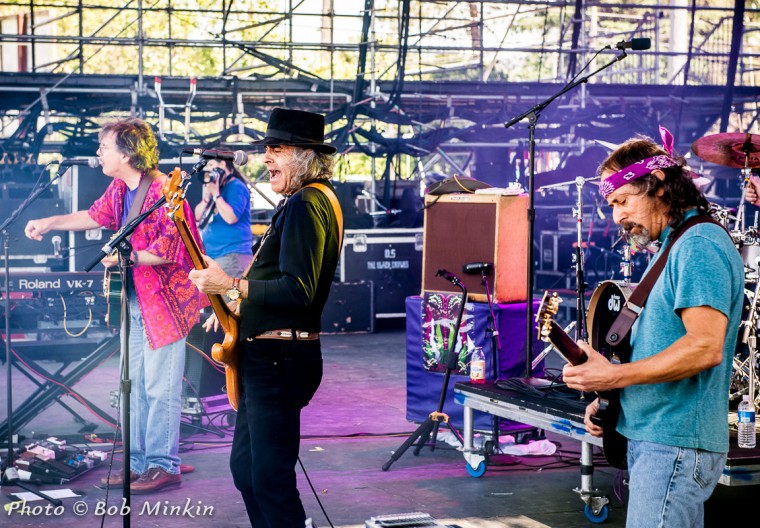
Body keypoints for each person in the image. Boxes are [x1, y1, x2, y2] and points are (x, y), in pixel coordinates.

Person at [562, 131, 745, 528]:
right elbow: (661, 345)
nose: (617, 216)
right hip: (658, 441)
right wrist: (614, 397)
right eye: (611, 205)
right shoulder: (673, 246)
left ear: (659, 186)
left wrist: (614, 375)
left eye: (623, 201)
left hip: (673, 446)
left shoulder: (698, 245)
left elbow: (704, 347)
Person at [24, 117, 205, 494]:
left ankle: (163, 465)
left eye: (103, 147)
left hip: (166, 304)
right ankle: (138, 464)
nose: (98, 153)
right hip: (136, 298)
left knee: (159, 388)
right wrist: (50, 222)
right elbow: (94, 215)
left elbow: (172, 248)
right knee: (133, 386)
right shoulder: (121, 187)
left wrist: (128, 258)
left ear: (126, 153)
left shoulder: (164, 190)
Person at [188, 107, 342, 527]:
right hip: (270, 355)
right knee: (247, 471)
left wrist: (232, 286)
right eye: (267, 149)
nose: (267, 158)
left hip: (281, 359)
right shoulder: (307, 200)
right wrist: (239, 307)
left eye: (276, 149)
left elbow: (298, 290)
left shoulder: (308, 204)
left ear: (304, 155)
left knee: (270, 478)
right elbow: (281, 283)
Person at [193, 158, 252, 279]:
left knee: (228, 297)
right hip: (215, 255)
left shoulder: (236, 186)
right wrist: (206, 198)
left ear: (223, 164)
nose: (208, 169)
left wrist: (216, 194)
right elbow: (198, 216)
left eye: (211, 165)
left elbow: (231, 218)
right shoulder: (218, 188)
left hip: (232, 254)